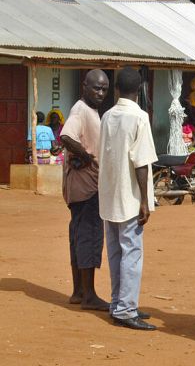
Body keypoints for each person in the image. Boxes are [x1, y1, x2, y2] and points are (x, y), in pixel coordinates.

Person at [98, 67, 158, 331]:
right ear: (141, 89)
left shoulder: (107, 116)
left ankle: (119, 302)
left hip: (109, 194)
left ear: (116, 89)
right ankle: (125, 309)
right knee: (131, 251)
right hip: (130, 196)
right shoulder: (139, 117)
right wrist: (145, 200)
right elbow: (141, 161)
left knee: (115, 252)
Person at [61, 69, 111, 311]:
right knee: (89, 236)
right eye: (96, 88)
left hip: (82, 186)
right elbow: (66, 136)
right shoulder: (80, 110)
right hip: (86, 187)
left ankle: (79, 291)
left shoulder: (89, 111)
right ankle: (89, 295)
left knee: (79, 236)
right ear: (85, 86)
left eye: (104, 89)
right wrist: (87, 156)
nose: (100, 93)